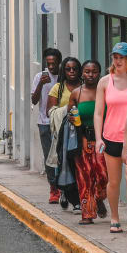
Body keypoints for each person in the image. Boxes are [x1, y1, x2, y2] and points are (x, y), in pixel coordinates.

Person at [94, 42, 127, 235]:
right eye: (115, 57)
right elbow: (98, 113)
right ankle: (115, 217)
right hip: (111, 137)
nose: (118, 60)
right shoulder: (105, 82)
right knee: (114, 182)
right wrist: (99, 138)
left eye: (122, 57)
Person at [69, 60, 108, 224]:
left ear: (99, 73)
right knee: (84, 177)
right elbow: (71, 117)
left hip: (103, 140)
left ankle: (99, 198)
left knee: (103, 176)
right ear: (82, 73)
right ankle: (87, 213)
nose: (90, 75)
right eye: (87, 71)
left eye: (94, 71)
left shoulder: (106, 91)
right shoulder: (76, 94)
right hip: (83, 140)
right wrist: (81, 135)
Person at [48, 57, 83, 212]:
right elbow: (50, 111)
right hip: (64, 132)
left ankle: (79, 198)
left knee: (78, 164)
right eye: (68, 69)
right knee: (64, 162)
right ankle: (64, 190)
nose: (71, 72)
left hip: (81, 130)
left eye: (74, 68)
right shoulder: (58, 88)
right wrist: (67, 110)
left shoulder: (85, 86)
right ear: (64, 71)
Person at [31, 49, 62, 203]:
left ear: (59, 63)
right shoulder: (39, 77)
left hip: (62, 123)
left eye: (53, 63)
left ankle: (64, 186)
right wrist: (41, 85)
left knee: (63, 156)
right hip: (44, 123)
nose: (50, 67)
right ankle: (53, 189)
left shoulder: (64, 77)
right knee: (50, 158)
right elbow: (34, 101)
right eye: (48, 63)